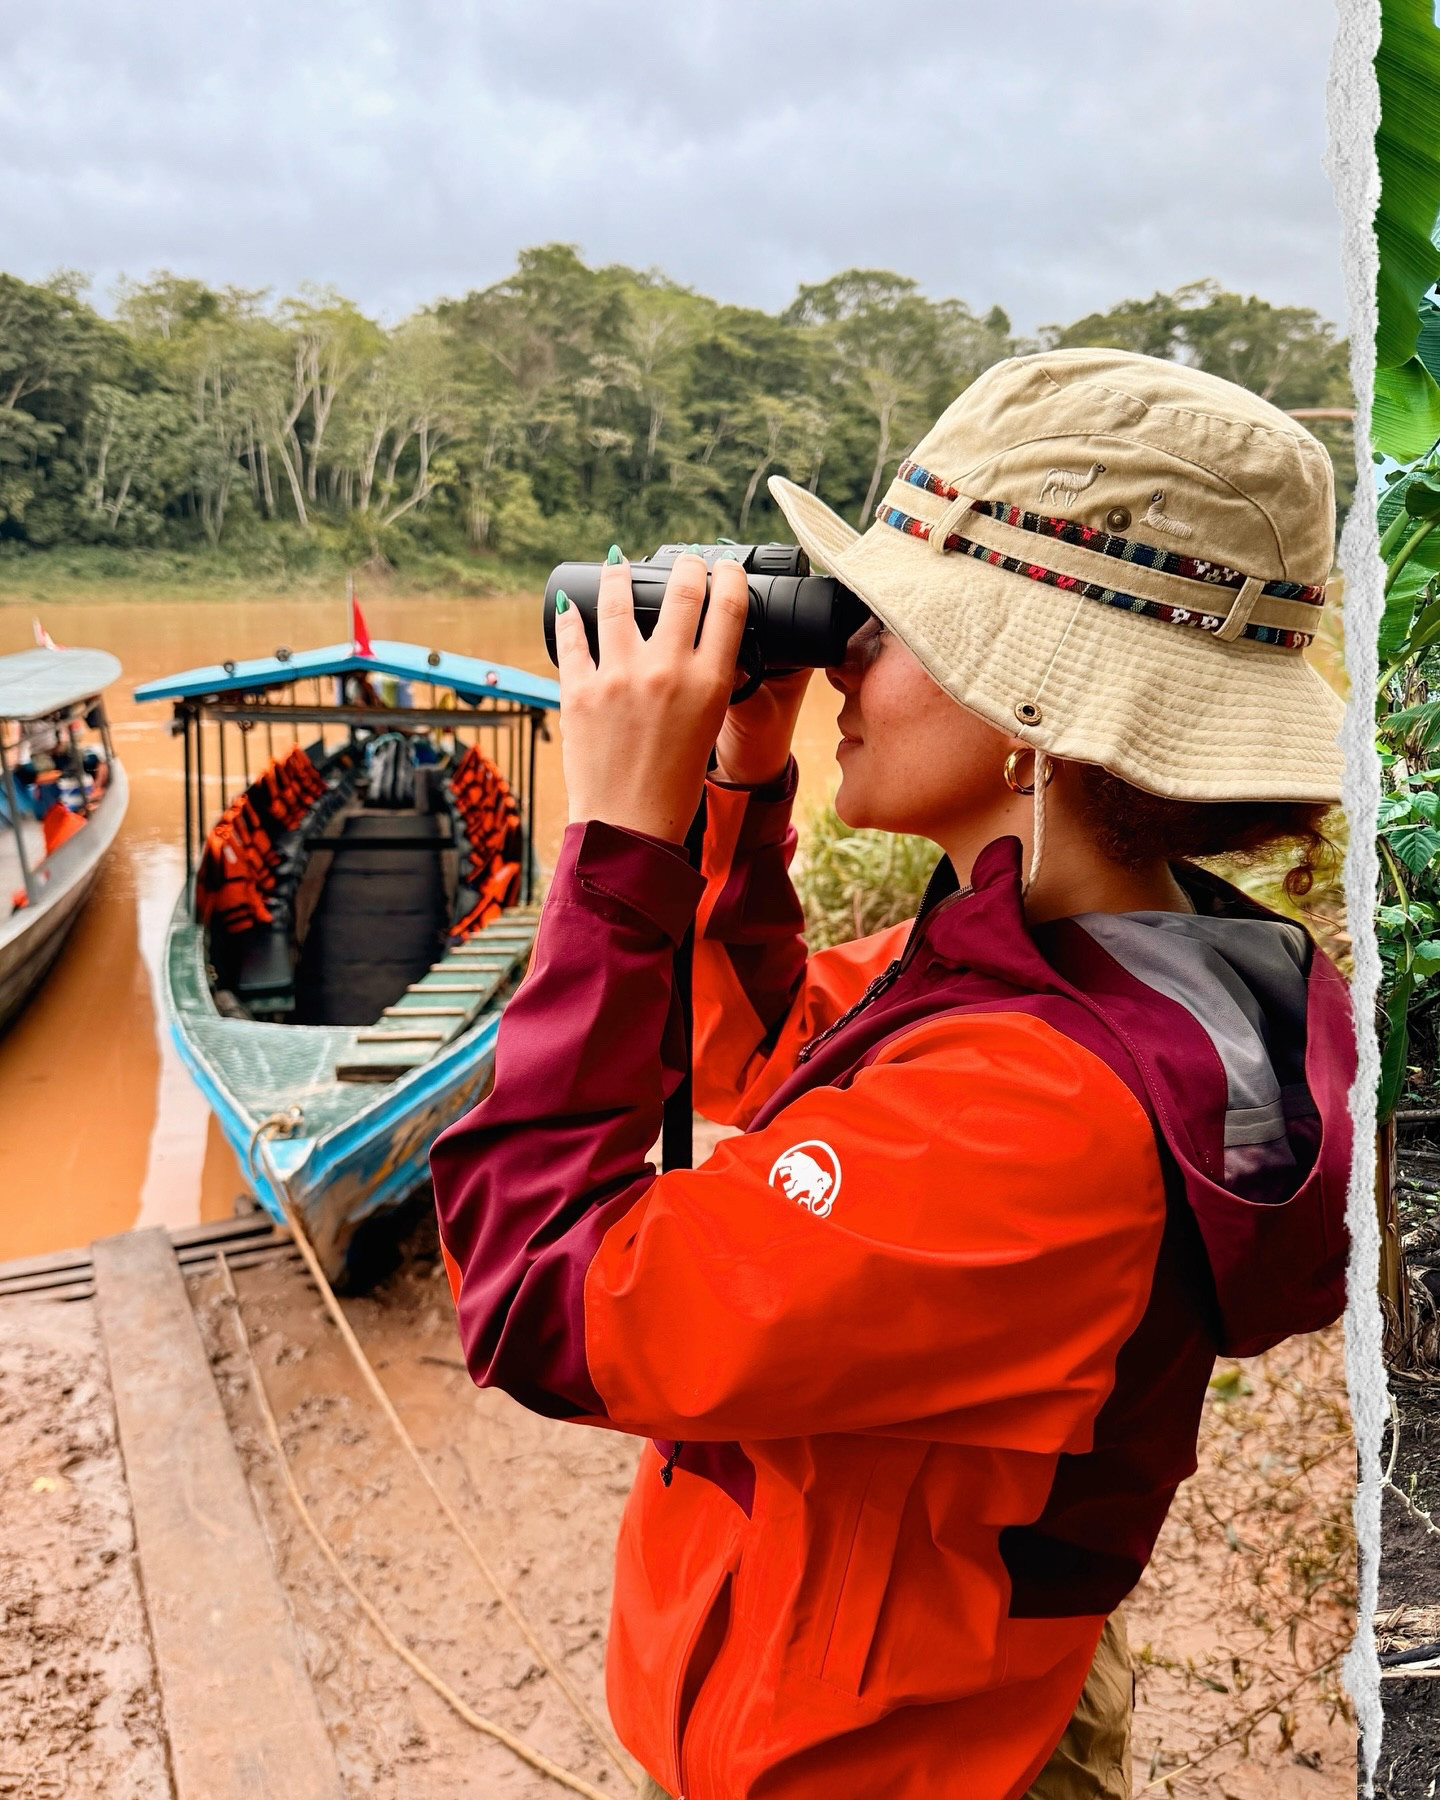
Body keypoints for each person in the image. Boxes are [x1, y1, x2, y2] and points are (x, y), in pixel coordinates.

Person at [430, 349, 1354, 1799]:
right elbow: (774, 1058)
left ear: (1037, 705)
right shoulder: (1084, 959)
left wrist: (615, 852)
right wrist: (730, 792)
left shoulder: (1049, 1109)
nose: (843, 657)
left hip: (892, 1759)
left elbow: (548, 1299)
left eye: (892, 620)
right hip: (932, 1697)